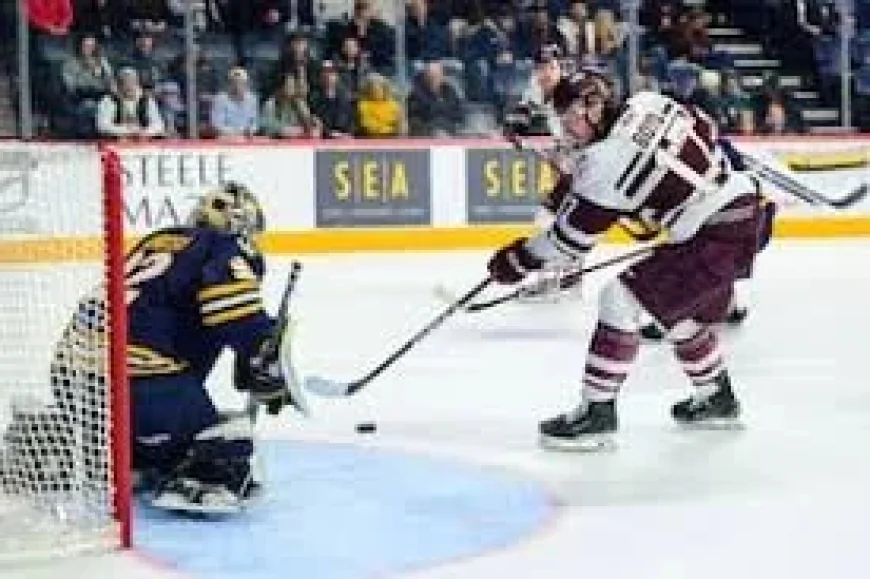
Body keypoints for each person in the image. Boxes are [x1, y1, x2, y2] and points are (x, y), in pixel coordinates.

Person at [486, 76, 767, 450]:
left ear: (594, 107)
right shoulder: (648, 102)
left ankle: (597, 413)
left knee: (619, 299)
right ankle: (717, 398)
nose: (566, 127)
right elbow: (705, 125)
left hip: (715, 234)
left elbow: (568, 243)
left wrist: (517, 261)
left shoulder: (605, 163)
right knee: (680, 314)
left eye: (570, 117)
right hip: (742, 211)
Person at [50, 182, 307, 514]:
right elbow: (233, 315)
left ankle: (101, 451)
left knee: (149, 432)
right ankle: (200, 478)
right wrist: (265, 351)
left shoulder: (155, 242)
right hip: (141, 387)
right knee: (229, 443)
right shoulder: (223, 247)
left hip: (70, 378)